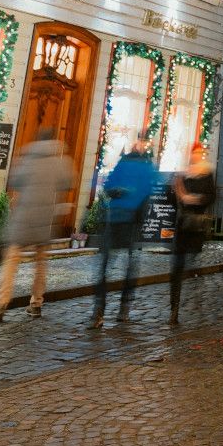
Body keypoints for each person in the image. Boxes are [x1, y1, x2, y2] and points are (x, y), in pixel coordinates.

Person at [0, 128, 70, 320]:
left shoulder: (27, 158)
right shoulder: (59, 161)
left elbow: (14, 181)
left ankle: (2, 302)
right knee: (40, 263)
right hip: (44, 219)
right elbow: (68, 182)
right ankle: (36, 303)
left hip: (23, 218)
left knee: (11, 260)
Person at [91, 140, 160, 327]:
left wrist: (116, 193)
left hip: (115, 218)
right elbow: (151, 189)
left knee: (105, 266)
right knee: (130, 266)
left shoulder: (123, 164)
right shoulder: (147, 167)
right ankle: (123, 308)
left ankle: (98, 311)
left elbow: (108, 186)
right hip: (132, 220)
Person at [169, 144, 217, 325]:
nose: (197, 156)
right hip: (182, 225)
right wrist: (179, 195)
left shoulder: (206, 174)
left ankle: (196, 294)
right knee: (176, 266)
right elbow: (173, 200)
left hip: (196, 226)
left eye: (199, 153)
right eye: (195, 153)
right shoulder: (183, 174)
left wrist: (196, 199)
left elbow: (212, 196)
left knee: (191, 263)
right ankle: (174, 308)